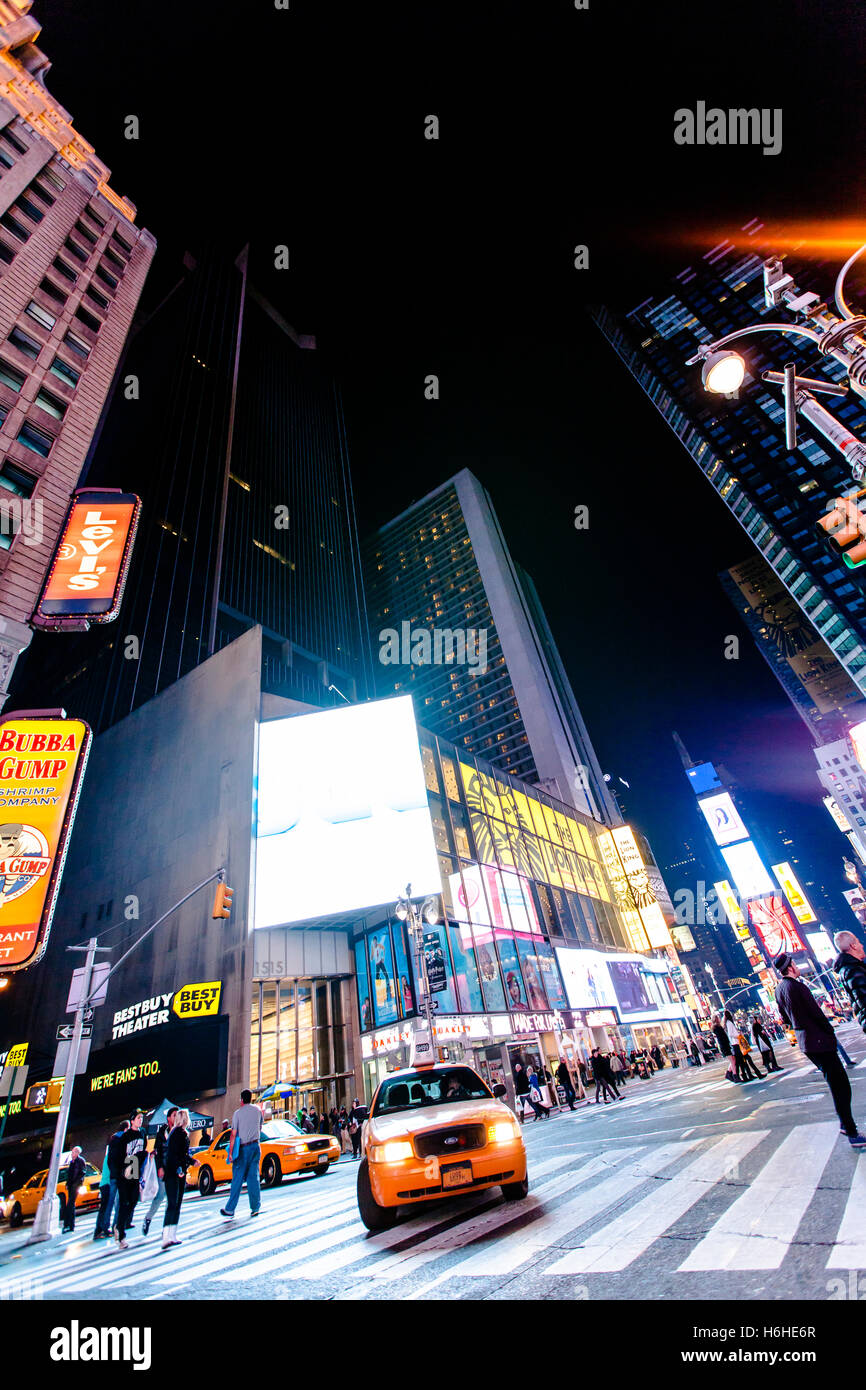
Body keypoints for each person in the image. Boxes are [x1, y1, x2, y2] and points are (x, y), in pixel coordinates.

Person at [774, 951, 866, 1150]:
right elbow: (817, 1014)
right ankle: (851, 1131)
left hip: (805, 1042)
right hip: (819, 1039)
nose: (798, 967)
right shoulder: (799, 987)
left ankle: (845, 1124)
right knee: (840, 1084)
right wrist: (828, 1031)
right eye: (795, 964)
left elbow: (785, 1018)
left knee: (835, 1082)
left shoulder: (779, 989)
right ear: (790, 967)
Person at [220, 1089, 264, 1219]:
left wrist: (230, 1153)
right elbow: (260, 1127)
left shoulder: (237, 1114)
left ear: (242, 1099)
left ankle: (230, 1209)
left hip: (243, 1149)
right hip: (256, 1146)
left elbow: (233, 1135)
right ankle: (255, 1207)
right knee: (253, 1178)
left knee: (237, 1179)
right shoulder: (257, 1110)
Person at [161, 1109, 199, 1248]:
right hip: (176, 1173)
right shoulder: (180, 1134)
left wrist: (191, 1162)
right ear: (185, 1119)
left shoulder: (174, 1133)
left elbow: (177, 1155)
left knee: (174, 1204)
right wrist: (181, 1168)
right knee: (174, 1204)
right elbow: (177, 1155)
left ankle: (170, 1235)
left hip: (174, 1172)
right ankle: (168, 1235)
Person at [108, 1111, 146, 1249]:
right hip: (125, 1171)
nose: (140, 1120)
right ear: (132, 1120)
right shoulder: (125, 1137)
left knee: (134, 1200)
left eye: (142, 1118)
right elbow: (118, 1156)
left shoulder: (142, 1133)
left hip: (135, 1169)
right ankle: (121, 1233)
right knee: (124, 1202)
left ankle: (119, 1225)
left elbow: (142, 1152)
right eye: (138, 1118)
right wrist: (121, 1171)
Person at [142, 1107, 176, 1236]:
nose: (176, 1117)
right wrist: (160, 1167)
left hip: (173, 1169)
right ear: (168, 1118)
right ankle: (148, 1218)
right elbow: (158, 1151)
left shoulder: (179, 1131)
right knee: (160, 1196)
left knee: (171, 1199)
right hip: (164, 1167)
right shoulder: (162, 1131)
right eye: (174, 1115)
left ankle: (166, 1228)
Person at [94, 1122, 126, 1240]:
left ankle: (102, 1229)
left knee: (107, 1206)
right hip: (109, 1182)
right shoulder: (113, 1155)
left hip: (108, 1182)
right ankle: (104, 1228)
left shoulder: (109, 1155)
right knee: (109, 1206)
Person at [833, 931, 866, 1043]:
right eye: (858, 941)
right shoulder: (853, 970)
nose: (861, 945)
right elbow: (864, 1000)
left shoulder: (850, 968)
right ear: (853, 945)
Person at [61, 1146, 86, 1233]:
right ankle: (70, 1225)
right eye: (72, 1152)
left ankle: (67, 1225)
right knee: (71, 1205)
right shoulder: (72, 1162)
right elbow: (70, 1175)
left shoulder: (80, 1161)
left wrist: (76, 1183)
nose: (72, 1154)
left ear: (77, 1152)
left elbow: (82, 1173)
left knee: (70, 1204)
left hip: (76, 1185)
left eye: (74, 1152)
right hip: (71, 1185)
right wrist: (68, 1184)